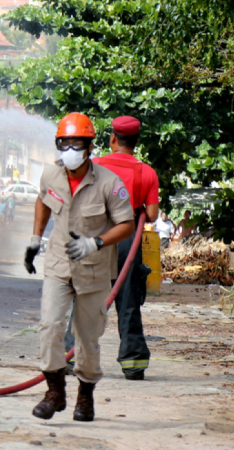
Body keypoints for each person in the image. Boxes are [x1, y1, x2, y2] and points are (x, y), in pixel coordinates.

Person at [24, 112, 134, 422]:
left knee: (87, 339)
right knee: (49, 327)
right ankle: (54, 392)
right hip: (58, 265)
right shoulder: (50, 176)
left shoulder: (110, 184)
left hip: (94, 271)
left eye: (77, 143)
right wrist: (34, 239)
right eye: (65, 143)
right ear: (58, 144)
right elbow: (42, 202)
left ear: (89, 146)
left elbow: (126, 224)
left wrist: (96, 242)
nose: (70, 149)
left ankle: (85, 397)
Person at [86, 116, 159, 381]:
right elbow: (151, 214)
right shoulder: (146, 172)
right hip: (129, 240)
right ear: (137, 141)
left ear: (112, 139)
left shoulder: (95, 166)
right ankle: (133, 361)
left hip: (97, 237)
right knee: (128, 301)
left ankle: (72, 354)